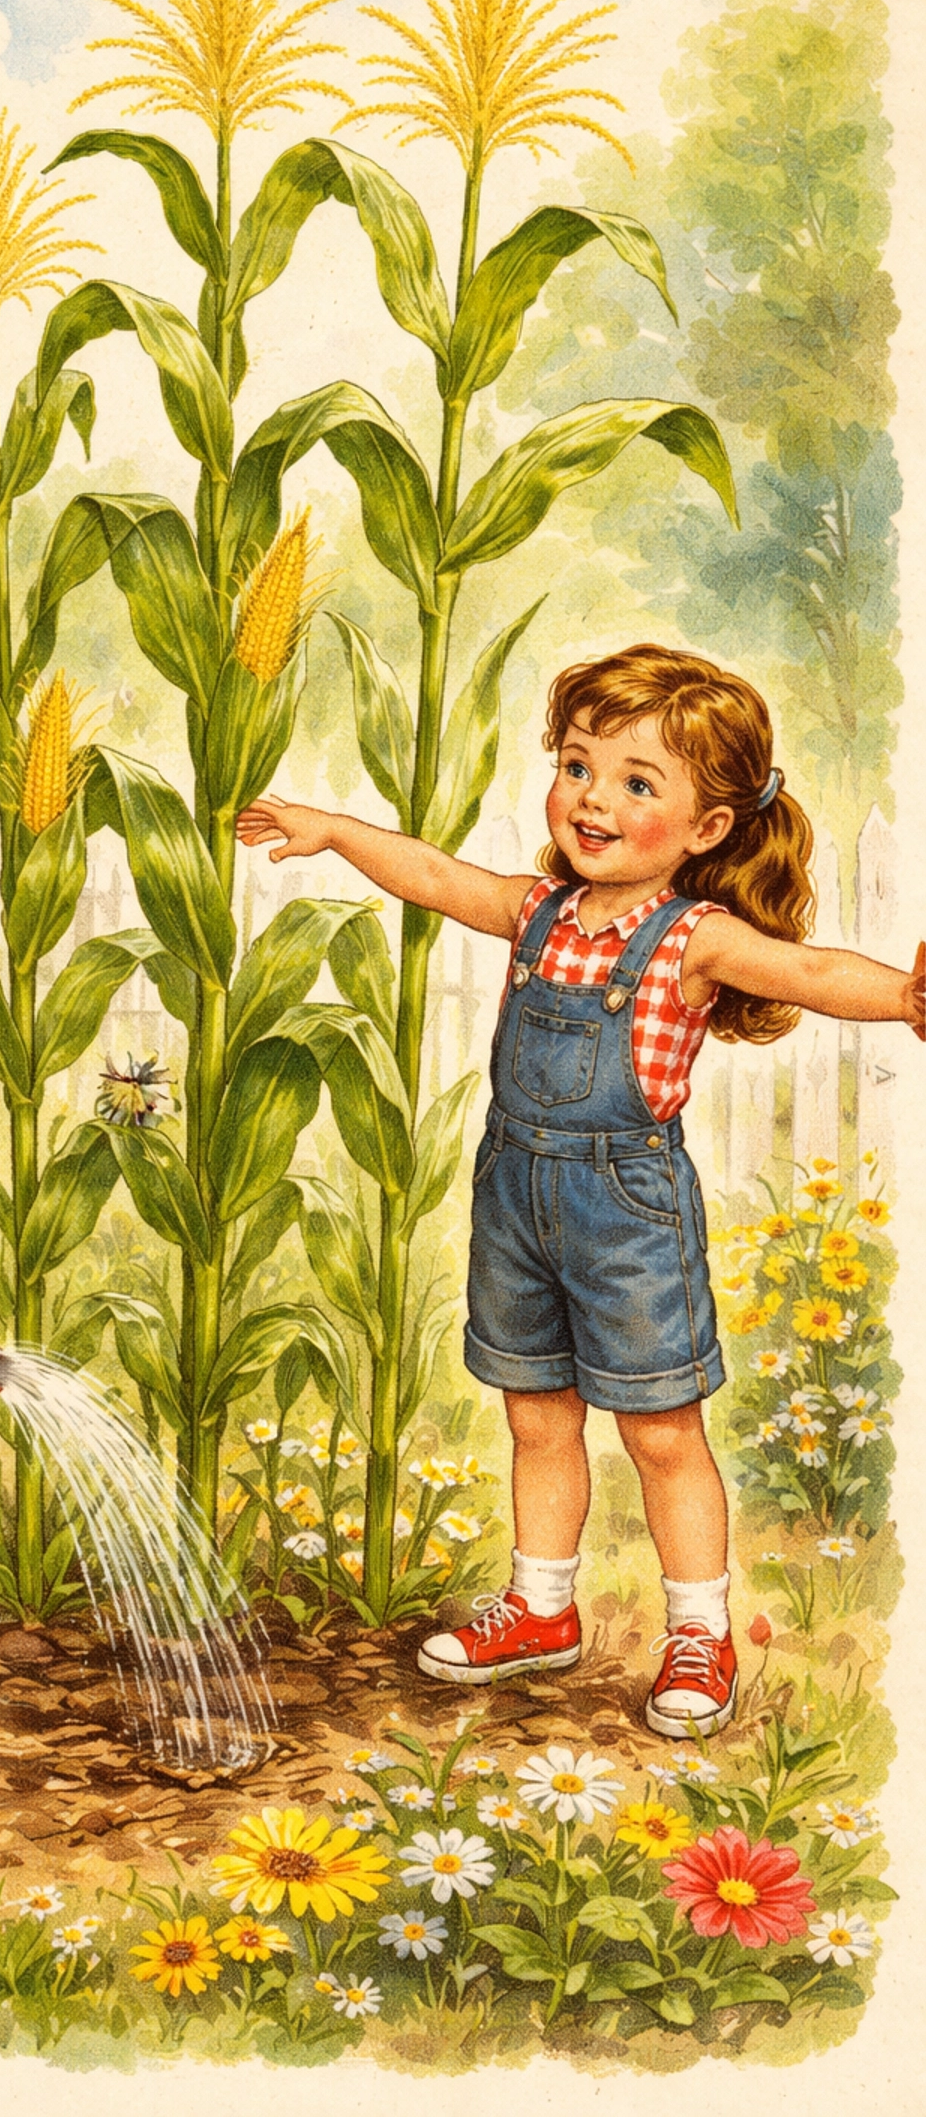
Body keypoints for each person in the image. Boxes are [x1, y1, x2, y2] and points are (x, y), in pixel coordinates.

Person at [238, 643, 923, 1736]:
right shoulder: (541, 911)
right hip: (514, 1200)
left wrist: (907, 996)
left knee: (660, 1433)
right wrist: (333, 829)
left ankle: (697, 1634)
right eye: (577, 765)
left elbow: (807, 971)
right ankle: (540, 1609)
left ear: (708, 829)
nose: (592, 798)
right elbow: (433, 875)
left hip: (626, 1215)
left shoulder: (693, 938)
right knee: (538, 1415)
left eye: (637, 782)